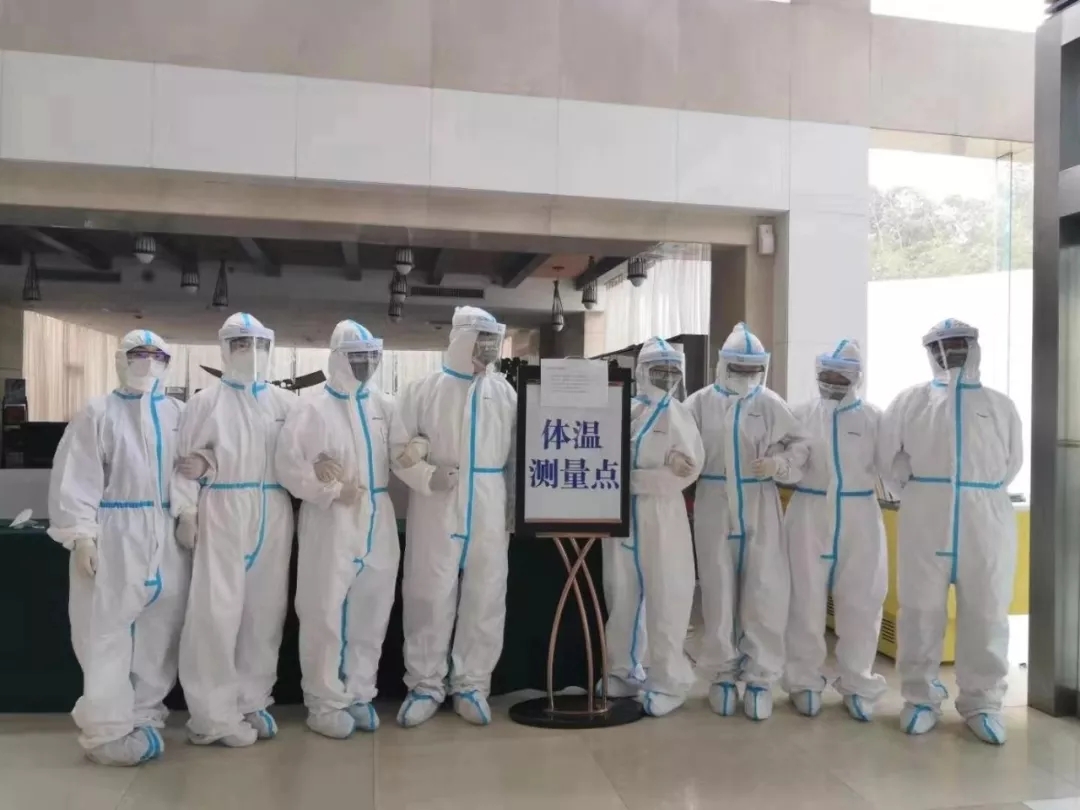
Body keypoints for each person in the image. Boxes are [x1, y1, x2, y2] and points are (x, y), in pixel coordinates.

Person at [47, 330, 189, 765]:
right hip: (117, 530)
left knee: (161, 627)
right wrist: (81, 534)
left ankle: (144, 714)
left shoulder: (177, 413)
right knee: (107, 632)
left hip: (166, 532)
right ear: (120, 359)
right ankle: (106, 731)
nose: (147, 362)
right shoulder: (98, 412)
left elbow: (188, 469)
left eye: (156, 355)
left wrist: (188, 510)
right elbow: (77, 476)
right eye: (138, 354)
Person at [879, 319, 1023, 745]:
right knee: (920, 610)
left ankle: (983, 702)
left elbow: (1012, 462)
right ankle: (919, 698)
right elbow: (888, 458)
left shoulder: (999, 405)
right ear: (929, 352)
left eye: (959, 345)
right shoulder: (910, 402)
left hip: (986, 517)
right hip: (927, 516)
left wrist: (977, 491)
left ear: (974, 347)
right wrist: (923, 491)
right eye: (942, 347)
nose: (951, 354)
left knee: (987, 612)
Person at [171, 312, 296, 747]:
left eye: (258, 345)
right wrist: (187, 511)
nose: (251, 353)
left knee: (265, 611)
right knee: (216, 611)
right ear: (226, 349)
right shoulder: (205, 403)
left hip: (274, 508)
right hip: (223, 508)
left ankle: (251, 698)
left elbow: (298, 454)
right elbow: (185, 462)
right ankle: (212, 715)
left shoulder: (284, 404)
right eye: (242, 345)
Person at [391, 306, 516, 727]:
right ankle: (424, 684)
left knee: (486, 594)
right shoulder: (422, 390)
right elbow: (397, 449)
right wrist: (426, 476)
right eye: (482, 340)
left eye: (493, 341)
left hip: (489, 501)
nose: (489, 349)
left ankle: (472, 684)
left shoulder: (505, 393)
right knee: (429, 592)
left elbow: (517, 457)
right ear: (461, 339)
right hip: (437, 504)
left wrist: (514, 510)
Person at [275, 321, 398, 739]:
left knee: (372, 606)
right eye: (356, 357)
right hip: (330, 518)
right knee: (323, 608)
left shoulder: (383, 404)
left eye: (370, 356)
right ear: (338, 358)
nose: (365, 365)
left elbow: (401, 448)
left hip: (377, 513)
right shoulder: (311, 408)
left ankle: (360, 691)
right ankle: (324, 702)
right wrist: (325, 487)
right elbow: (287, 466)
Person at [685, 322, 808, 721]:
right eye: (738, 369)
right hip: (714, 501)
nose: (745, 377)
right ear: (723, 366)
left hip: (760, 501)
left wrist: (778, 464)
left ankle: (760, 677)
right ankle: (721, 674)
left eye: (753, 370)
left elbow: (800, 445)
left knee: (763, 588)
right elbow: (680, 442)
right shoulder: (700, 403)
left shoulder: (770, 403)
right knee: (717, 588)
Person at [782, 339, 889, 722]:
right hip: (809, 510)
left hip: (860, 513)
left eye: (840, 376)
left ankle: (857, 682)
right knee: (804, 599)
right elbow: (789, 462)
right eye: (826, 374)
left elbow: (890, 467)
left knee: (862, 599)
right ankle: (803, 681)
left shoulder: (875, 419)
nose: (831, 382)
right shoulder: (799, 415)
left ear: (856, 378)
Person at [601, 338, 704, 717]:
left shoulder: (679, 415)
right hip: (621, 514)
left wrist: (638, 480)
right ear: (642, 371)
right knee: (621, 592)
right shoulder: (626, 409)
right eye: (659, 370)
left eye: (672, 371)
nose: (666, 377)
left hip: (662, 514)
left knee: (667, 595)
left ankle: (669, 682)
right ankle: (623, 670)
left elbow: (687, 471)